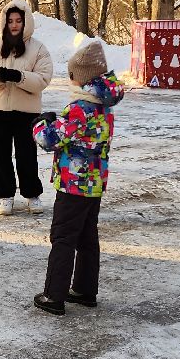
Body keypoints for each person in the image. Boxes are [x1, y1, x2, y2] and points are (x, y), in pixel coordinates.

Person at [31, 39, 126, 315]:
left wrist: (39, 124)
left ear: (82, 77)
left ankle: (54, 294)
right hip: (94, 183)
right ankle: (85, 289)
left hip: (73, 184)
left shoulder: (80, 108)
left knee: (62, 236)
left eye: (72, 74)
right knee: (86, 236)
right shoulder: (103, 106)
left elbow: (50, 139)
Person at [0, 0, 54, 215]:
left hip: (25, 113)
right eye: (10, 21)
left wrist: (20, 77)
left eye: (19, 20)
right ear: (4, 22)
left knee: (27, 156)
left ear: (26, 21)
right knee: (0, 157)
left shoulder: (38, 49)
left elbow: (43, 79)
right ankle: (5, 196)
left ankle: (32, 195)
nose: (14, 25)